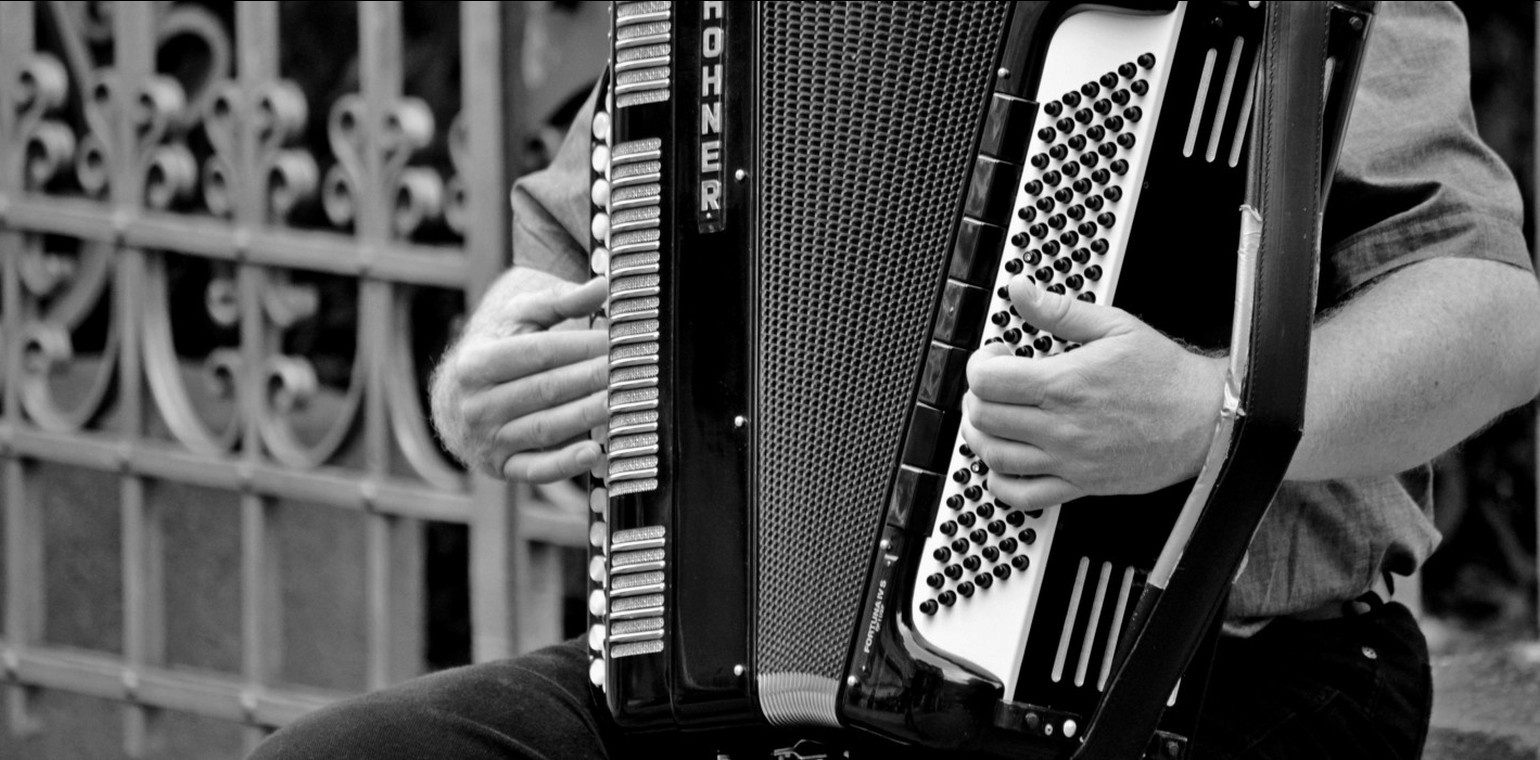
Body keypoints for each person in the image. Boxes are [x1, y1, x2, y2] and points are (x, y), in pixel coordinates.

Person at [249, 3, 1540, 759]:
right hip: (742, 679)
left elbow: (1490, 317)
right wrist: (487, 374)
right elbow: (562, 257)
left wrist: (1205, 417)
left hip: (1215, 681)